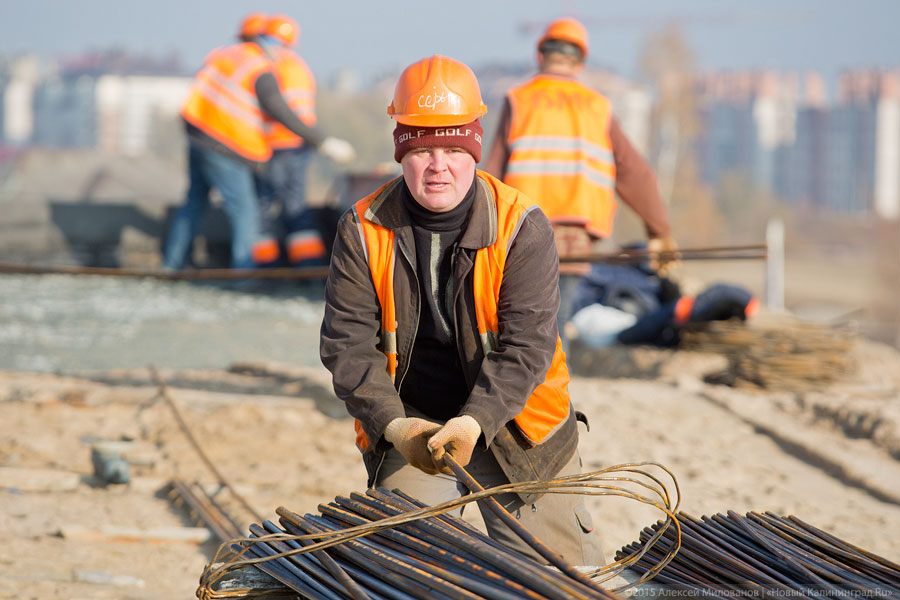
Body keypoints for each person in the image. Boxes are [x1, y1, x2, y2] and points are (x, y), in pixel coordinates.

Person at [319, 55, 604, 567]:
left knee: (564, 576)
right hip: (417, 426)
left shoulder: (522, 226)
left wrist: (476, 421)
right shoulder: (360, 230)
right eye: (422, 149)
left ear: (474, 149)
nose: (438, 165)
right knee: (409, 571)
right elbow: (347, 346)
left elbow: (527, 347)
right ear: (400, 152)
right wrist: (394, 426)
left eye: (453, 148)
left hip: (518, 424)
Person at [482, 17, 677, 352]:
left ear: (540, 55)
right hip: (574, 242)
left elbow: (492, 177)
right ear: (580, 61)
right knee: (556, 322)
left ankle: (537, 397)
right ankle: (557, 398)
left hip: (523, 234)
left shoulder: (521, 100)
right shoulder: (597, 108)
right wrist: (659, 232)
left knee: (520, 324)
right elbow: (635, 172)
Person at [163, 13, 354, 271]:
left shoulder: (223, 56)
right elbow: (279, 109)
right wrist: (322, 142)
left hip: (197, 137)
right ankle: (243, 276)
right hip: (226, 147)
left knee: (193, 205)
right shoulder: (259, 68)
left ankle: (171, 268)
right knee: (246, 212)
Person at [250, 14, 351, 268]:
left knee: (265, 207)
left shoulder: (270, 68)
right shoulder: (298, 67)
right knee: (294, 205)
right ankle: (307, 264)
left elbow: (279, 110)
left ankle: (269, 266)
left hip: (276, 147)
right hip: (297, 147)